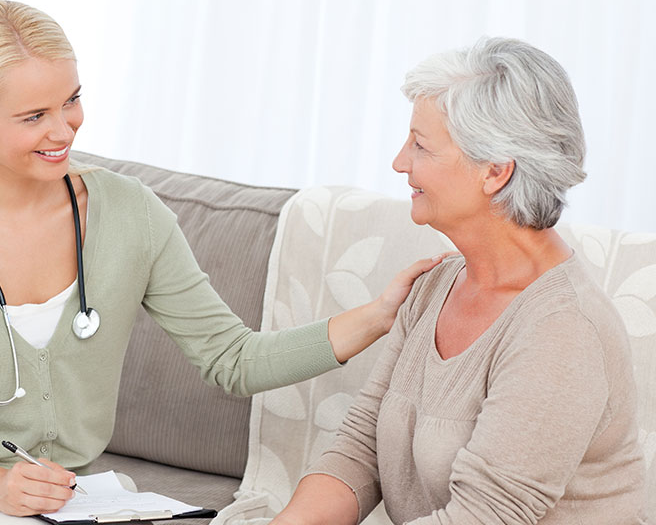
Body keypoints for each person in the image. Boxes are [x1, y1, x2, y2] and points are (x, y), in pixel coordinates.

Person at [0, 0, 443, 524]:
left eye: (72, 100)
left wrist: (378, 315)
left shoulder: (127, 214)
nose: (64, 130)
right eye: (34, 116)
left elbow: (232, 359)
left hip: (75, 503)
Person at [270, 37, 647, 524]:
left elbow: (485, 516)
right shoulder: (435, 286)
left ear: (495, 172)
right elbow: (359, 452)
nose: (399, 162)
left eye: (420, 145)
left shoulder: (563, 329)